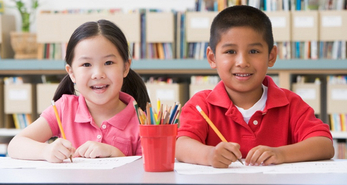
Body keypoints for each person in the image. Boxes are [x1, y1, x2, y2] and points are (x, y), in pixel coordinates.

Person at [176, 5, 334, 168]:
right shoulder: (202, 104)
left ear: (271, 56)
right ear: (212, 57)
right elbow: (180, 146)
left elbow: (324, 145)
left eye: (253, 51)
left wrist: (281, 154)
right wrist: (209, 155)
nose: (242, 62)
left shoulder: (290, 103)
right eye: (230, 51)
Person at [8, 19, 150, 163]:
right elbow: (15, 144)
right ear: (72, 73)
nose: (98, 74)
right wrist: (46, 151)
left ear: (125, 67)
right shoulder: (64, 108)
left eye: (108, 63)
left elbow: (146, 170)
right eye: (86, 64)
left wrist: (116, 155)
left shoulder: (142, 120)